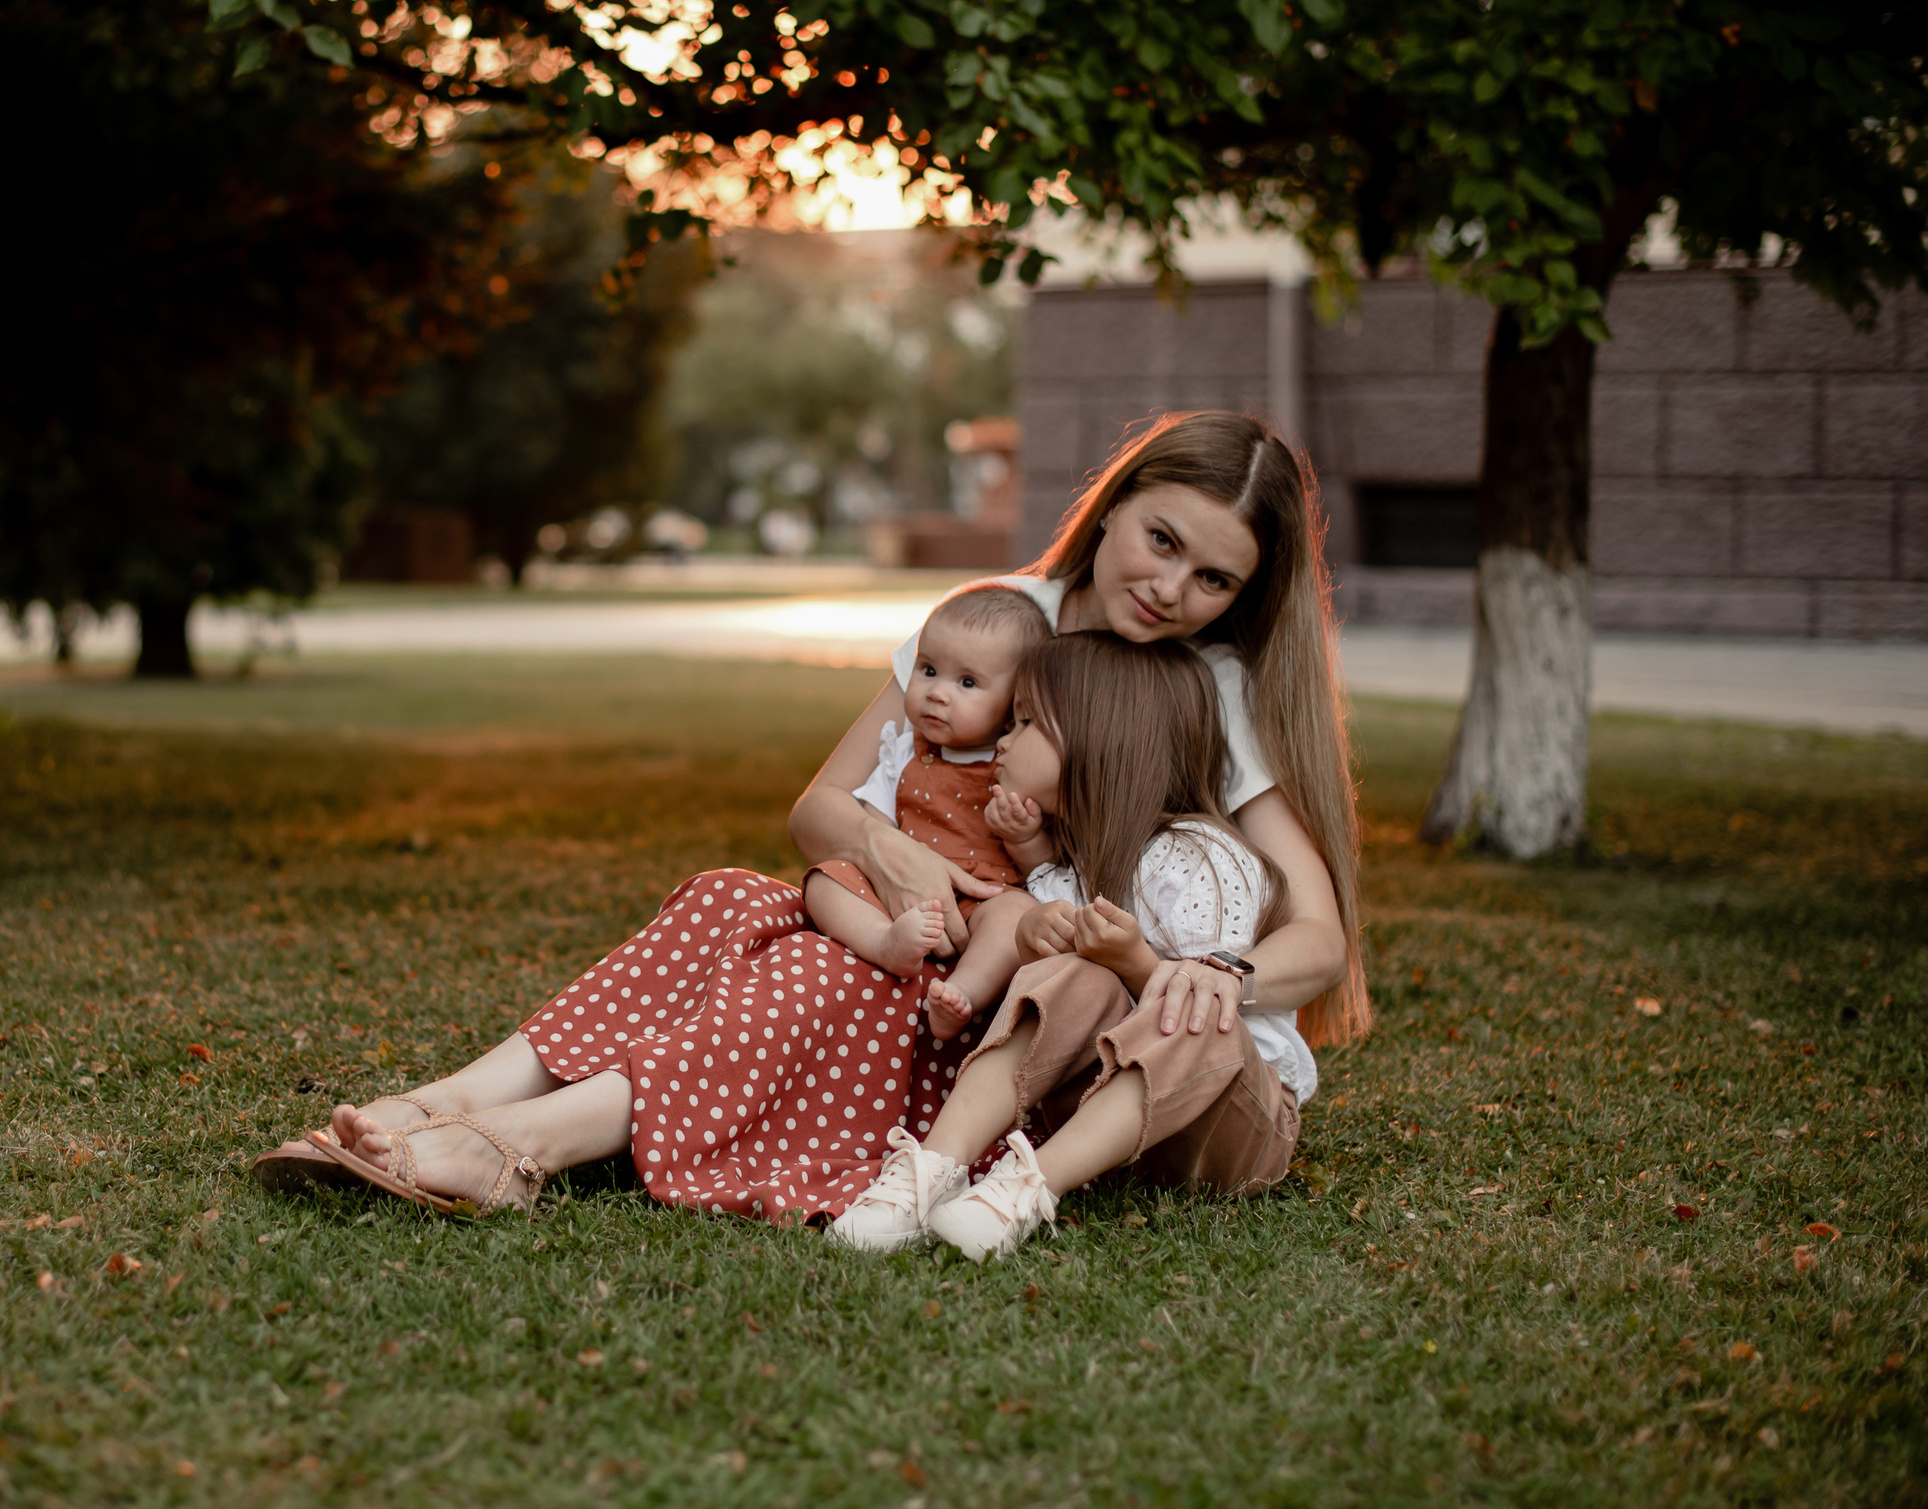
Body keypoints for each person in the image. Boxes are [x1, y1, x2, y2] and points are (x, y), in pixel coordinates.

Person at [252, 410, 1370, 1220]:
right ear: (1113, 503)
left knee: (837, 973)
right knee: (730, 897)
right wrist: (885, 848)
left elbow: (1316, 934)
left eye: (1214, 579)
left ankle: (522, 1146)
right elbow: (819, 806)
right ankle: (431, 1101)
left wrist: (1218, 971)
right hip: (910, 927)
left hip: (1027, 1006)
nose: (1172, 589)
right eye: (1161, 539)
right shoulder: (996, 622)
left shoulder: (1202, 686)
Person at [829, 630, 1310, 1259]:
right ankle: (929, 1173)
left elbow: (1210, 999)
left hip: (1230, 1122)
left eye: (1026, 723)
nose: (1001, 740)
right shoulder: (1071, 868)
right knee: (1077, 977)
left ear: (1101, 739)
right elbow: (1066, 980)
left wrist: (1136, 961)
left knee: (1193, 1008)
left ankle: (1024, 1189)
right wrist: (1038, 924)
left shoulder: (1199, 858)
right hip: (1115, 1134)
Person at [803, 582, 1053, 1042]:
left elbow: (1044, 864)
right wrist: (879, 868)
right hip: (898, 895)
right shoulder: (902, 752)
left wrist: (1024, 835)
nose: (938, 693)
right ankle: (883, 943)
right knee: (826, 877)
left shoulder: (1014, 761)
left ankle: (961, 992)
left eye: (967, 683)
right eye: (929, 669)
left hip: (982, 899)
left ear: (1013, 705)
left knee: (1017, 914)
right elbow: (872, 819)